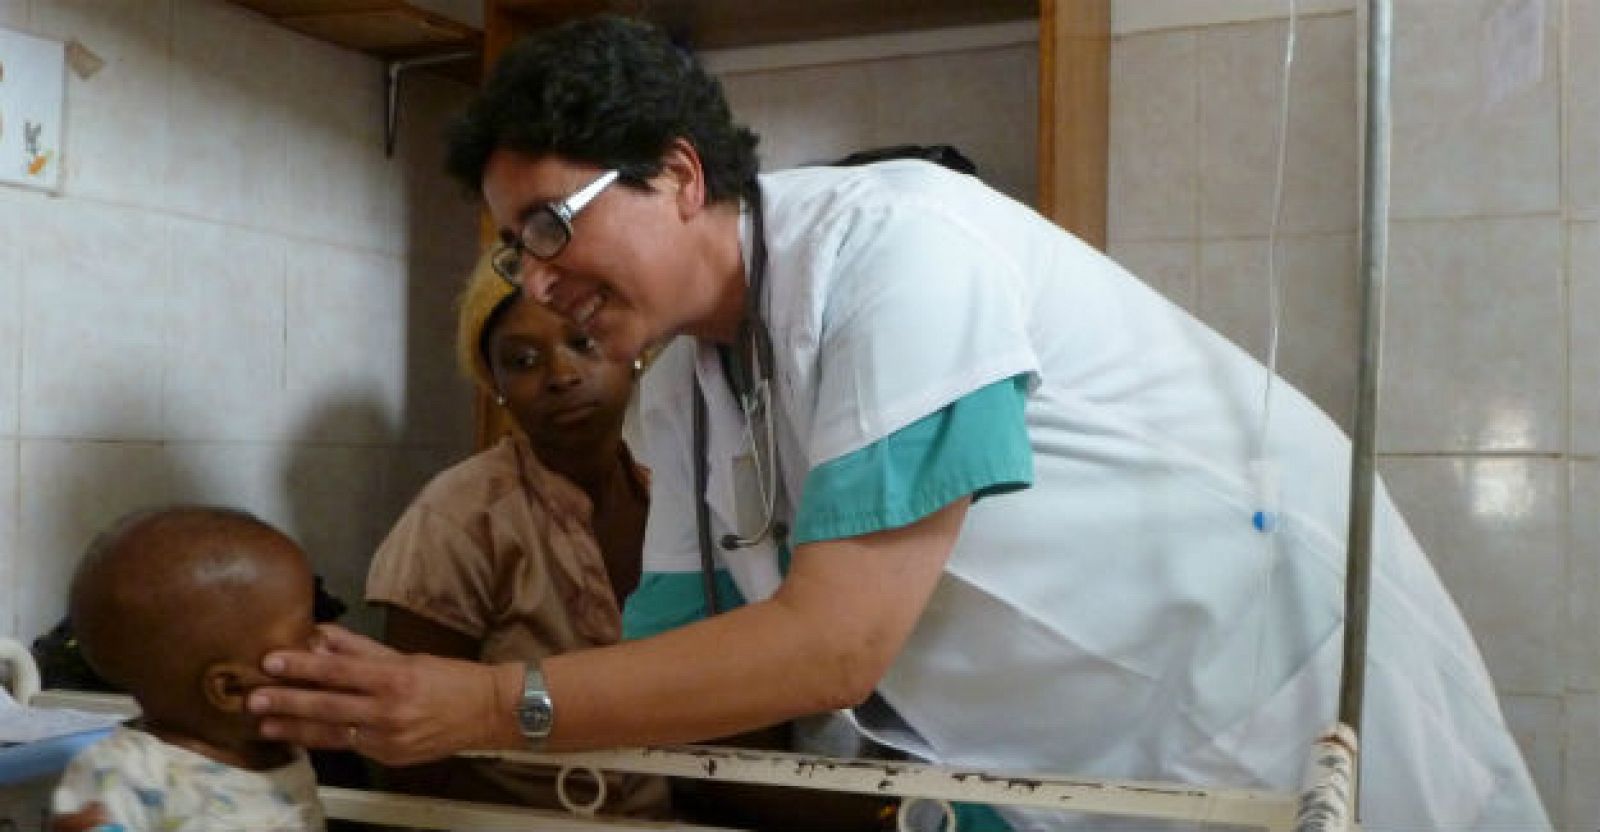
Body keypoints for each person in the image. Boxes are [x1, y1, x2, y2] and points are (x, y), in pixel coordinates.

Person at [248, 16, 1551, 831]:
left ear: (679, 172)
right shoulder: (699, 381)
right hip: (1073, 753)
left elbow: (829, 649)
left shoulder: (897, 251)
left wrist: (481, 705)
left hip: (1260, 695)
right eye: (511, 247)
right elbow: (697, 669)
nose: (535, 276)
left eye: (548, 224)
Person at [364, 254, 670, 818]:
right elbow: (411, 755)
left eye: (584, 342)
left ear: (635, 353)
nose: (560, 375)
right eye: (523, 360)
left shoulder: (684, 494)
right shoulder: (458, 519)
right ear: (495, 384)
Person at [53, 506, 325, 832]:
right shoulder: (128, 774)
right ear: (231, 689)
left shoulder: (281, 744)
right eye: (307, 634)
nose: (324, 642)